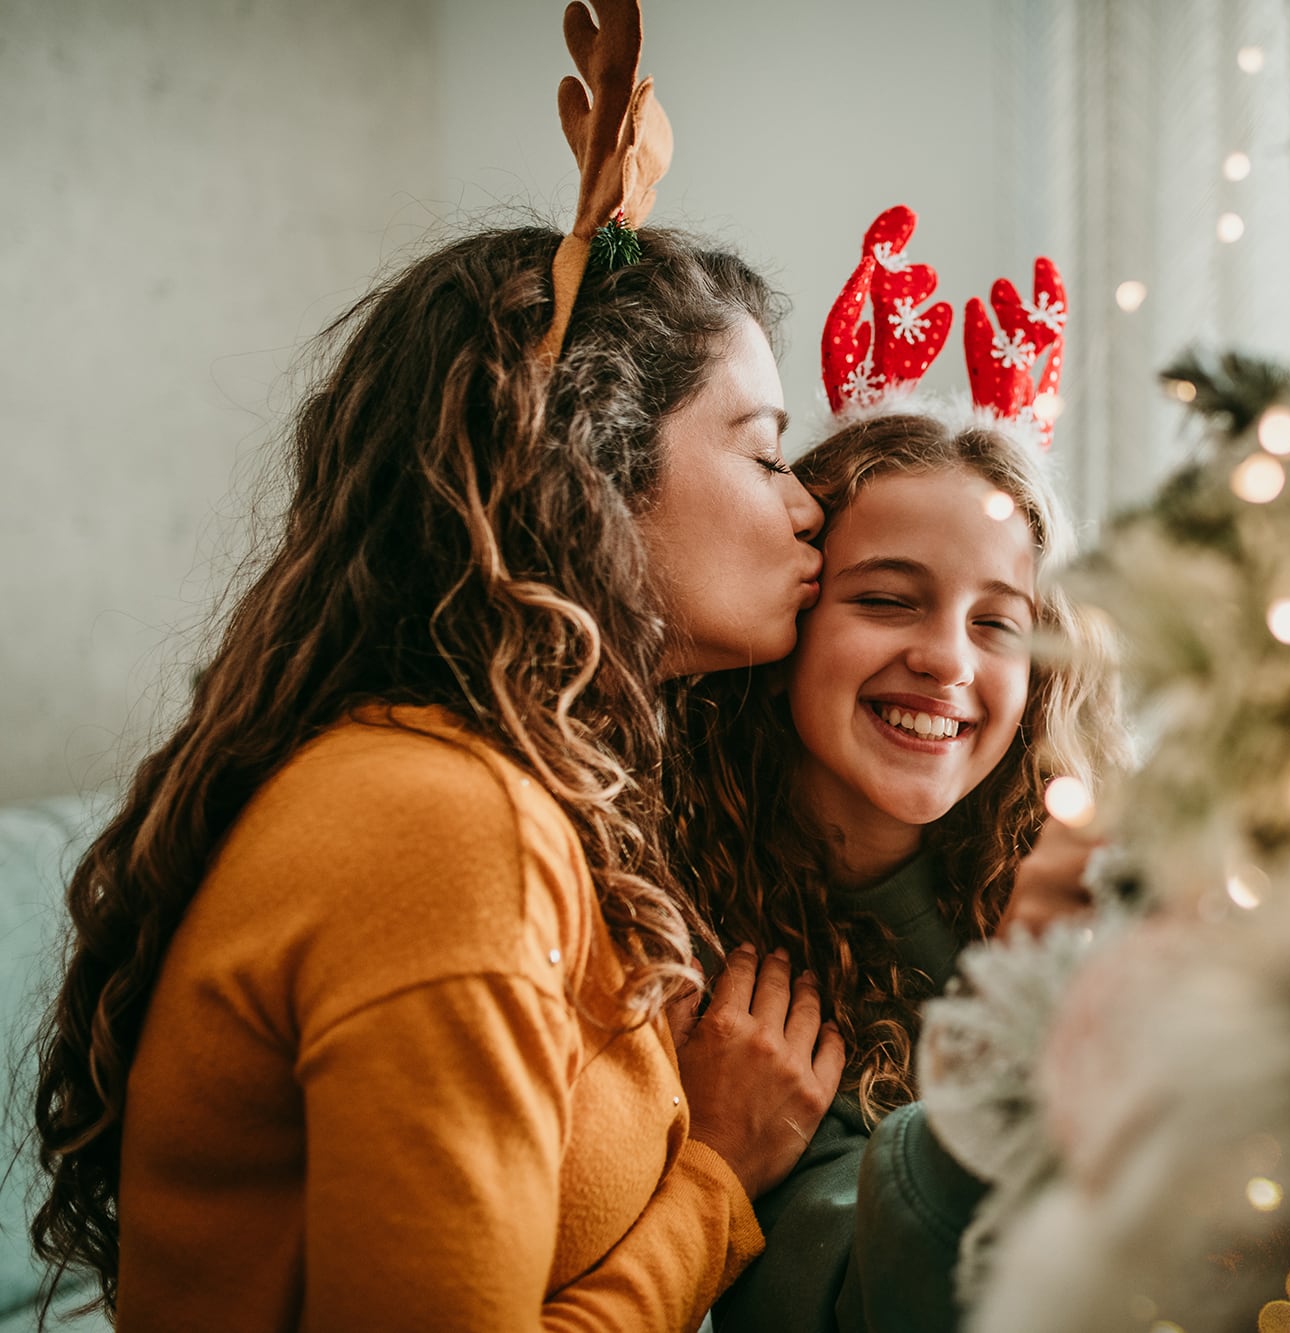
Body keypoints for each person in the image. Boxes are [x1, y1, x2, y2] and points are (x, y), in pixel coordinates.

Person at [27, 212, 857, 1329]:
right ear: (590, 465)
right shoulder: (443, 822)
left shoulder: (506, 796)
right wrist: (714, 1181)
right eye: (763, 453)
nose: (805, 506)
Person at [667, 406, 1123, 1332]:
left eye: (997, 623)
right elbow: (837, 1295)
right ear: (786, 622)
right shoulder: (698, 964)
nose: (946, 659)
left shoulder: (1088, 896)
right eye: (886, 600)